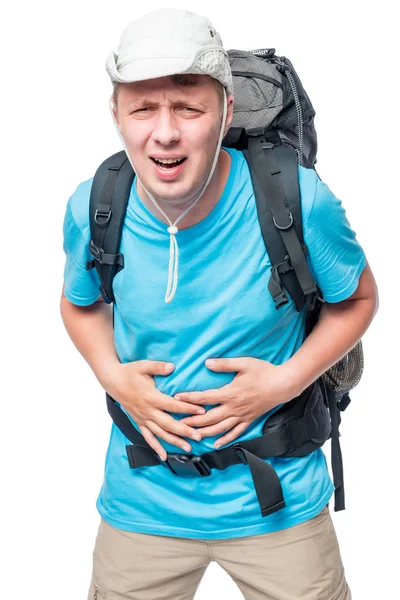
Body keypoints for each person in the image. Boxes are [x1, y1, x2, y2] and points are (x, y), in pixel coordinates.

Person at [60, 8, 378, 600]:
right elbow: (78, 303)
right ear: (116, 116)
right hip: (143, 502)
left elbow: (358, 299)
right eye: (142, 108)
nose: (165, 132)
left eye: (188, 107)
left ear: (225, 110)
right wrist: (113, 377)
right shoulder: (95, 206)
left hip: (278, 503)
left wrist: (284, 381)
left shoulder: (298, 200)